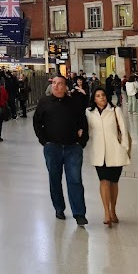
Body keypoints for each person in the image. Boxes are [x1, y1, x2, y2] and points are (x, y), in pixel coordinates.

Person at [34, 77, 89, 225]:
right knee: (54, 179)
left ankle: (79, 213)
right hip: (53, 148)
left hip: (72, 148)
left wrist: (81, 143)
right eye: (54, 84)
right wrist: (44, 142)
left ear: (65, 87)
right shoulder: (44, 103)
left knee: (75, 180)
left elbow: (83, 122)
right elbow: (37, 123)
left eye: (60, 84)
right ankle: (59, 208)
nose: (56, 87)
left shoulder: (74, 103)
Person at [85, 86, 132, 226]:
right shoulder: (89, 112)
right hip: (99, 152)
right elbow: (88, 130)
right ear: (94, 98)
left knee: (114, 182)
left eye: (103, 95)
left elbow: (124, 130)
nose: (101, 98)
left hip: (115, 151)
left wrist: (124, 147)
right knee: (104, 180)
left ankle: (113, 210)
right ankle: (106, 212)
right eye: (98, 96)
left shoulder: (115, 110)